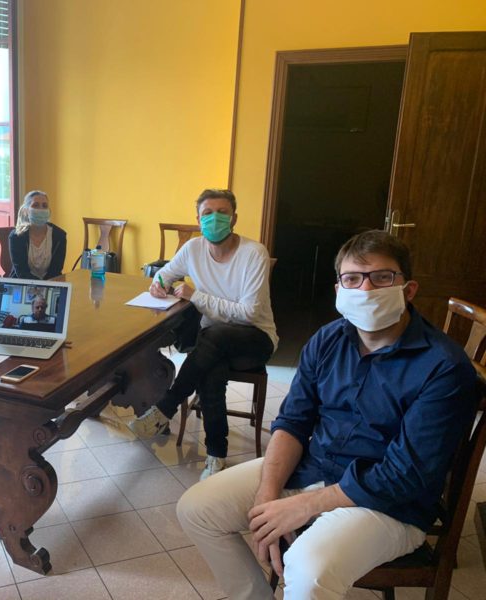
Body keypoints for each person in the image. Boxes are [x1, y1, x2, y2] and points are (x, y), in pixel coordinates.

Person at [176, 230, 478, 599]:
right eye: (352, 279)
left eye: (382, 277)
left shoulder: (444, 367)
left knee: (307, 569)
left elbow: (406, 475)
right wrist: (268, 494)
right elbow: (293, 421)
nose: (366, 289)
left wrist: (304, 506)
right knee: (196, 509)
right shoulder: (327, 340)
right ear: (338, 290)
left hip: (389, 504)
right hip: (316, 468)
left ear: (408, 289)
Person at [129, 188, 278, 480]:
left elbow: (248, 313)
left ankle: (165, 407)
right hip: (215, 342)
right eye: (207, 213)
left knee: (212, 339)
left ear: (234, 218)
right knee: (211, 369)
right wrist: (158, 285)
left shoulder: (254, 253)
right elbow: (163, 274)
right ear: (198, 220)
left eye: (222, 212)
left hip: (255, 338)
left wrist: (196, 296)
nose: (214, 218)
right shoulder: (193, 249)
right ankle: (216, 456)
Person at [8, 190, 67, 280]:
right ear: (26, 211)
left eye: (45, 206)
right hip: (22, 283)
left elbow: (56, 270)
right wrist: (38, 286)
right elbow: (22, 272)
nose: (41, 209)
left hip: (50, 283)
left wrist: (45, 286)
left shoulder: (60, 236)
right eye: (35, 205)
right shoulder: (16, 236)